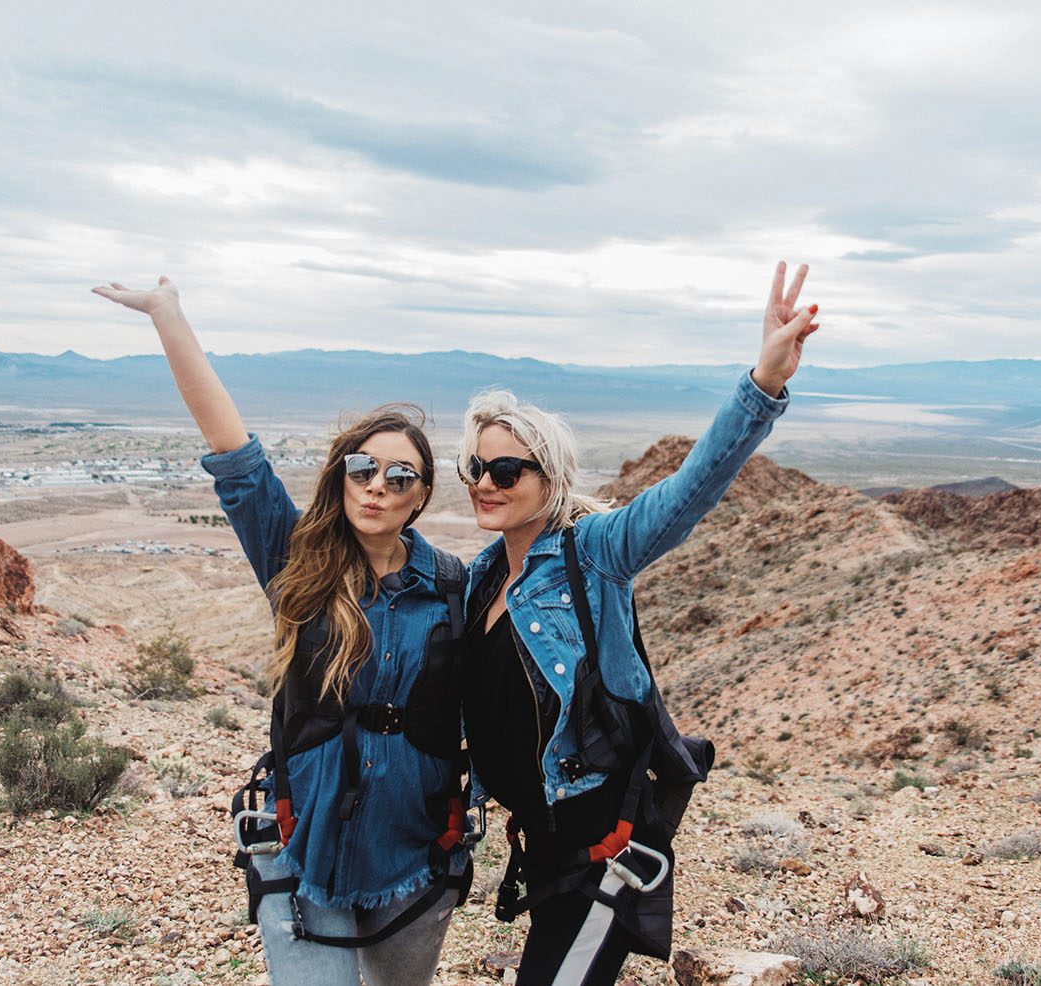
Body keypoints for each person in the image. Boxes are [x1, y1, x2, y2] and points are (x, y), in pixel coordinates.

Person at [92, 277, 472, 986]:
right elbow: (234, 453)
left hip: (416, 855)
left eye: (399, 476)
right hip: (308, 847)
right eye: (363, 467)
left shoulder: (453, 585)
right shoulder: (297, 559)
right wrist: (168, 312)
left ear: (421, 495)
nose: (377, 486)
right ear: (342, 472)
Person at [456, 262, 818, 986]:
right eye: (475, 466)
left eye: (507, 470)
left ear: (550, 479)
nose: (485, 483)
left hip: (606, 847)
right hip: (544, 843)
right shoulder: (481, 578)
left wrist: (763, 384)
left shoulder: (596, 554)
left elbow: (689, 491)